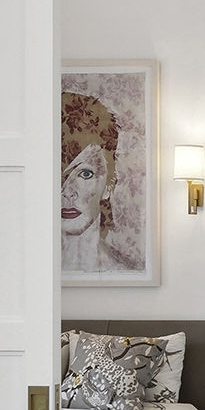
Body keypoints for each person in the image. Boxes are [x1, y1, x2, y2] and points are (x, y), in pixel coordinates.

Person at [61, 90, 133, 275]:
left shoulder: (125, 271)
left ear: (109, 185)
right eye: (57, 175)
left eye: (85, 173)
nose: (68, 192)